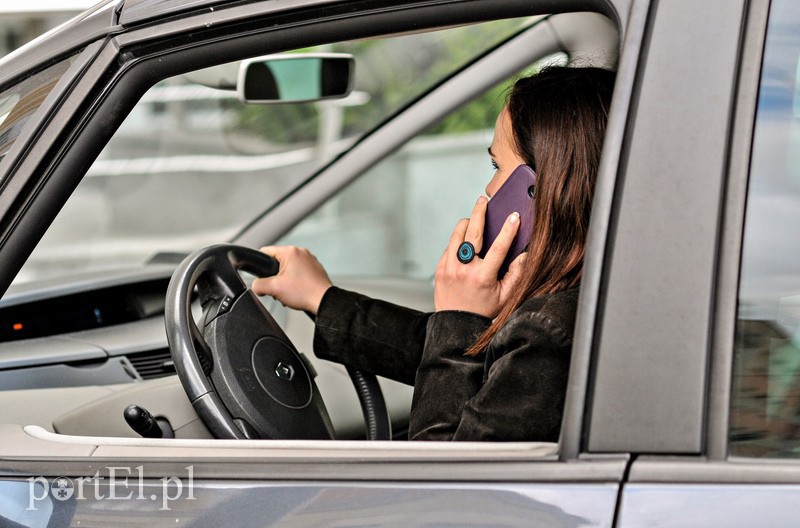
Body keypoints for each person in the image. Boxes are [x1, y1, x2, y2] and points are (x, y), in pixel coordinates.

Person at [252, 66, 615, 441]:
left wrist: (459, 315)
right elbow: (460, 349)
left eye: (497, 166)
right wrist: (321, 298)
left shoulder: (547, 335)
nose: (489, 190)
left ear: (542, 190)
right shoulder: (578, 304)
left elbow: (440, 479)